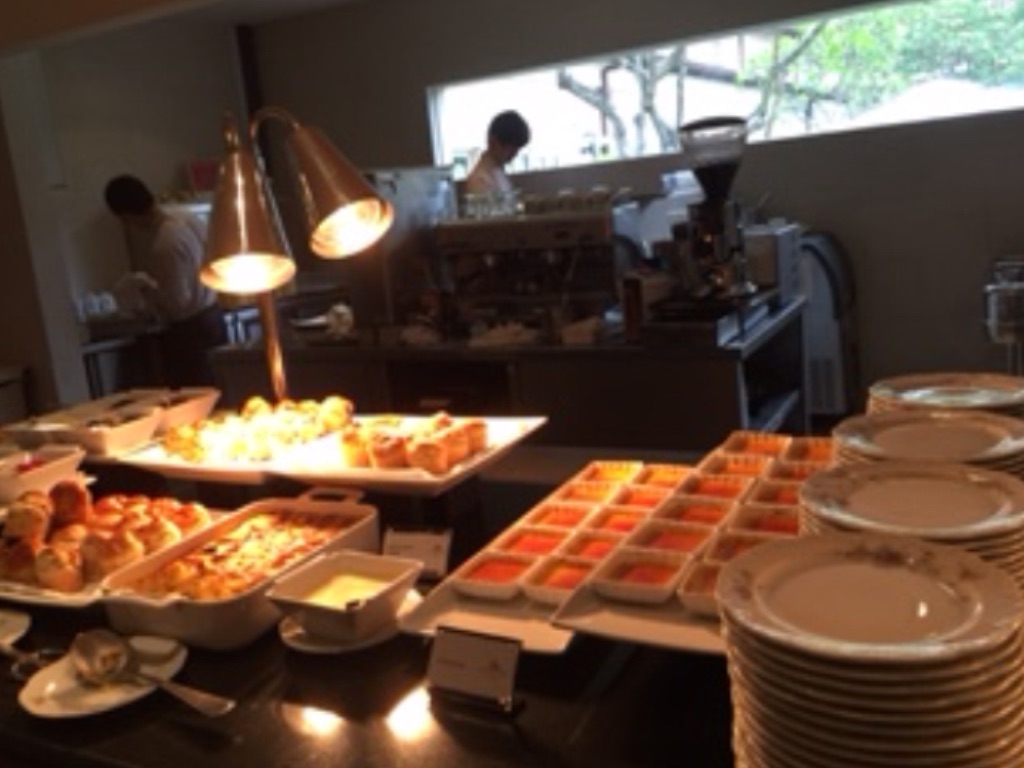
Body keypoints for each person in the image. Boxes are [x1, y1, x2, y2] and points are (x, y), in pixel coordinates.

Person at [103, 174, 227, 387]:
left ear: (127, 215)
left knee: (197, 394)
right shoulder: (186, 217)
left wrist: (148, 291)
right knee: (222, 387)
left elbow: (178, 303)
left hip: (191, 331)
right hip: (214, 315)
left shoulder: (165, 245)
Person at [464, 110, 531, 196]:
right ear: (493, 143)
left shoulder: (498, 170)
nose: (515, 155)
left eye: (517, 150)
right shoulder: (480, 181)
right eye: (510, 150)